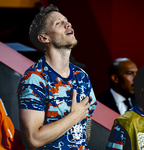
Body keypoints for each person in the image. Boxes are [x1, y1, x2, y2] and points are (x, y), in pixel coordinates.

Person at [17, 5, 97, 150]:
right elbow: (33, 139)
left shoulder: (81, 76)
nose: (68, 24)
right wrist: (74, 116)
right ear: (44, 38)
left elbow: (86, 125)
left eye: (67, 21)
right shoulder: (35, 78)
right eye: (58, 23)